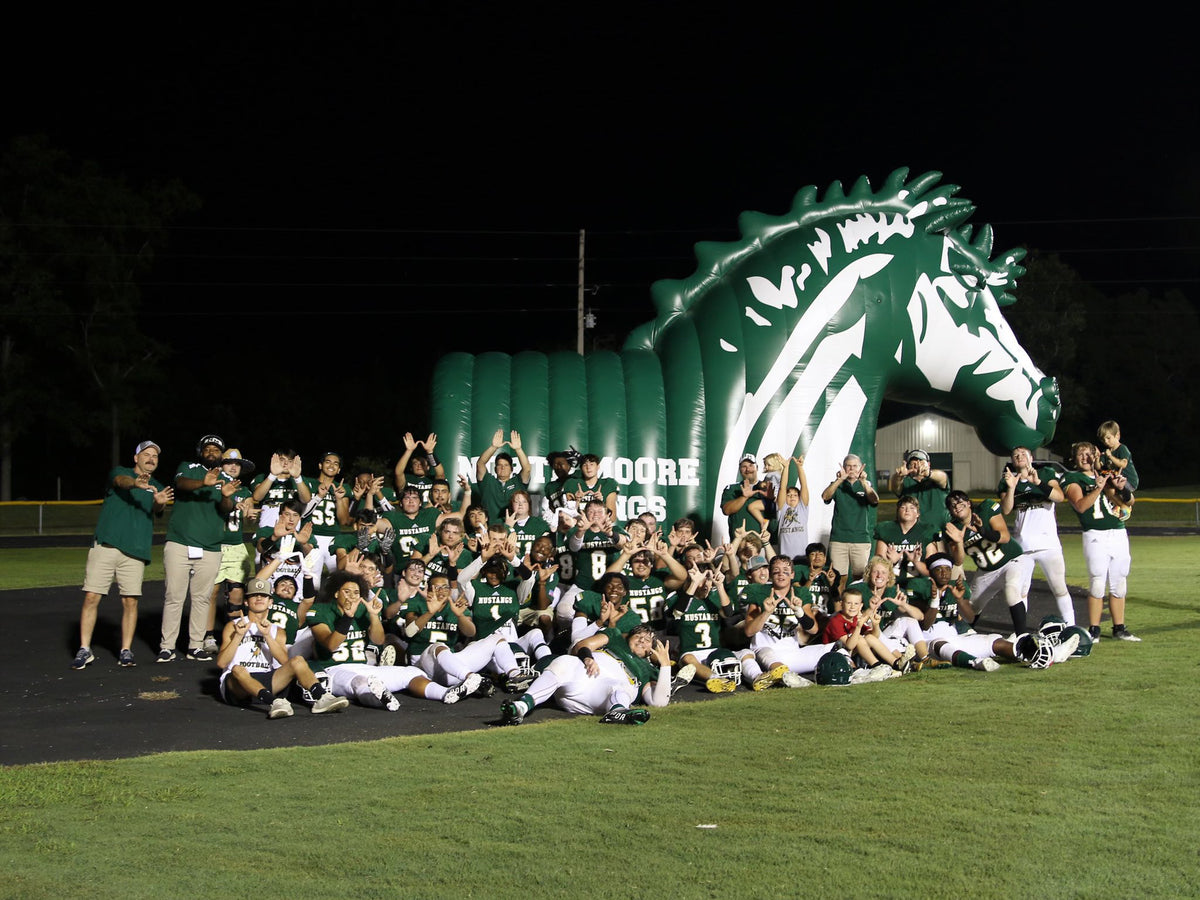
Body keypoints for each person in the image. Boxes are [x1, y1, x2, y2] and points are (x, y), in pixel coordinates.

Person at [308, 571, 480, 709]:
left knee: (413, 673)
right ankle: (381, 700)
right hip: (334, 669)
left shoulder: (362, 610)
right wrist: (347, 617)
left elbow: (379, 639)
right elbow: (331, 645)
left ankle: (446, 693)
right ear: (336, 593)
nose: (352, 596)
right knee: (359, 682)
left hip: (363, 666)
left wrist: (374, 617)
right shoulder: (321, 610)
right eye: (347, 592)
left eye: (356, 593)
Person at [73, 440, 173, 669]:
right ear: (135, 458)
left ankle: (125, 650)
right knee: (92, 596)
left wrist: (159, 503)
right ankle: (84, 648)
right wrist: (137, 484)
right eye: (146, 454)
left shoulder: (157, 486)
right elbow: (121, 482)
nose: (151, 459)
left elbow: (156, 510)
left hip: (135, 551)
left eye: (155, 456)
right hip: (107, 545)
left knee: (130, 601)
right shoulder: (122, 473)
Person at [158, 434, 240, 663]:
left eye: (216, 449)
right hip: (180, 542)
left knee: (202, 597)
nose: (212, 452)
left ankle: (195, 645)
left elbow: (226, 508)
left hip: (211, 547)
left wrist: (225, 496)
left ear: (221, 455)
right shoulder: (189, 468)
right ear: (201, 452)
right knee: (174, 596)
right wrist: (203, 483)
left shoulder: (225, 477)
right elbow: (180, 484)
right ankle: (167, 646)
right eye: (208, 448)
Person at [217, 577, 350, 717]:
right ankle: (274, 703)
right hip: (237, 685)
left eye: (263, 595)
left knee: (297, 660)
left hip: (266, 679)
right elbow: (221, 663)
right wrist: (238, 636)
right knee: (238, 669)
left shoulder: (277, 630)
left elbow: (284, 661)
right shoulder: (233, 626)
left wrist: (267, 636)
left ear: (270, 602)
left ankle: (322, 697)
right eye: (254, 595)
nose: (259, 598)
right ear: (246, 601)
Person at [499, 623, 675, 725]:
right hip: (583, 674)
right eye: (639, 636)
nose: (642, 640)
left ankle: (618, 712)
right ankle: (521, 706)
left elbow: (658, 702)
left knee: (619, 686)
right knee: (563, 662)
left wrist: (665, 666)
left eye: (647, 640)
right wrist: (588, 659)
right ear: (629, 636)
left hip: (602, 694)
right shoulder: (615, 637)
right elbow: (581, 645)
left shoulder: (649, 670)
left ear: (652, 650)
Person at [1061, 441, 1139, 643]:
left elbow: (1129, 502)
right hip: (1095, 534)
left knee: (1119, 582)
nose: (1086, 457)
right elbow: (1080, 506)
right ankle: (1094, 630)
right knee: (1097, 582)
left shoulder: (1107, 472)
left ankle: (1119, 628)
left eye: (1090, 453)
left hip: (1118, 532)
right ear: (1074, 459)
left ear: (1096, 455)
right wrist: (1098, 488)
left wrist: (1122, 489)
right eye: (1081, 454)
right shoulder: (1072, 478)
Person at [999, 447, 1075, 625]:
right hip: (1023, 546)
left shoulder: (1046, 473)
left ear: (1031, 457)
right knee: (1021, 590)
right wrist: (1011, 488)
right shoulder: (1008, 480)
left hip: (1048, 544)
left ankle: (1071, 626)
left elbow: (1059, 497)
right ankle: (1021, 631)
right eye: (1016, 455)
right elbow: (1006, 509)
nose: (1020, 457)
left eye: (1023, 454)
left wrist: (1038, 482)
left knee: (1059, 587)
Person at [942, 489, 1029, 636]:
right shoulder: (953, 529)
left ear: (969, 503)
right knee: (969, 608)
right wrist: (958, 542)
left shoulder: (985, 509)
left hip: (1011, 560)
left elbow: (1005, 537)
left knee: (1011, 591)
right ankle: (964, 637)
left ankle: (1023, 637)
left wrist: (983, 531)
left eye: (960, 502)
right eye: (952, 505)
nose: (957, 506)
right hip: (986, 571)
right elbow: (959, 560)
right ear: (950, 511)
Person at [820, 453, 879, 582]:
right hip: (839, 539)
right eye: (848, 466)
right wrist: (839, 480)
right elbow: (825, 497)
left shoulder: (866, 485)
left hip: (860, 539)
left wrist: (863, 482)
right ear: (843, 468)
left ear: (860, 468)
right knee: (839, 578)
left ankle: (857, 602)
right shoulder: (837, 484)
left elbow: (874, 500)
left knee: (860, 578)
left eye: (855, 466)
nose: (851, 469)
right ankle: (838, 602)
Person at [872, 495, 936, 584]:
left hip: (919, 583)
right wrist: (890, 562)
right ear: (897, 512)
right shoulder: (886, 529)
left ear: (918, 514)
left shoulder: (927, 531)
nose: (907, 510)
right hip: (891, 583)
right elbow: (878, 565)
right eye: (903, 507)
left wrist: (916, 562)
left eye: (912, 508)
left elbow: (933, 571)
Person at [887, 449, 950, 534]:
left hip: (941, 532)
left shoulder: (935, 479)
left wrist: (928, 473)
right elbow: (896, 486)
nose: (917, 465)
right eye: (913, 463)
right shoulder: (906, 482)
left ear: (928, 464)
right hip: (914, 534)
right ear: (908, 466)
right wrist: (899, 476)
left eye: (921, 461)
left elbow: (942, 477)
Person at [475, 428, 532, 521]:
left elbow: (527, 469)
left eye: (506, 465)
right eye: (499, 465)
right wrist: (493, 447)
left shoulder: (518, 482)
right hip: (492, 530)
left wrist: (518, 449)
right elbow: (480, 464)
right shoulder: (488, 482)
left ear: (511, 469)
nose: (503, 467)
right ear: (495, 469)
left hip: (514, 529)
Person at [721, 454, 771, 533]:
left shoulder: (767, 487)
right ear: (740, 470)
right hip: (738, 542)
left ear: (757, 468)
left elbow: (774, 516)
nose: (748, 469)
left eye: (751, 465)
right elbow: (726, 510)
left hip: (762, 541)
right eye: (744, 466)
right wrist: (744, 497)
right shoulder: (732, 489)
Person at [563, 452, 619, 519]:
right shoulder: (572, 484)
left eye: (591, 464)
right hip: (580, 526)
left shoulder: (608, 484)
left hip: (599, 527)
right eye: (584, 465)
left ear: (598, 466)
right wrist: (577, 501)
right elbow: (568, 517)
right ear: (581, 468)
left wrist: (601, 502)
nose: (588, 467)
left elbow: (612, 517)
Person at [393, 432, 445, 503]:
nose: (419, 465)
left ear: (428, 467)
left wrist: (430, 452)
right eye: (415, 464)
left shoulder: (432, 480)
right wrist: (409, 451)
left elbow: (440, 473)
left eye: (422, 463)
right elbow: (398, 472)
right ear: (411, 468)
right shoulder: (407, 479)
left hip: (429, 512)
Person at [776, 456, 811, 560]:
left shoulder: (803, 507)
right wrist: (786, 467)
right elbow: (782, 487)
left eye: (795, 495)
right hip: (784, 558)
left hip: (802, 557)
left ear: (799, 497)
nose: (792, 496)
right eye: (789, 495)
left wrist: (799, 467)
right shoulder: (782, 509)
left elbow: (804, 485)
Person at [1097, 420, 1139, 491]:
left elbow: (1123, 464)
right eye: (1103, 440)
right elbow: (1098, 467)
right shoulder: (1106, 452)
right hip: (1116, 480)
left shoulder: (1122, 449)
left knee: (1110, 488)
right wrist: (1097, 457)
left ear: (1117, 435)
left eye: (1108, 438)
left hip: (1128, 481)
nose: (1106, 441)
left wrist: (1110, 456)